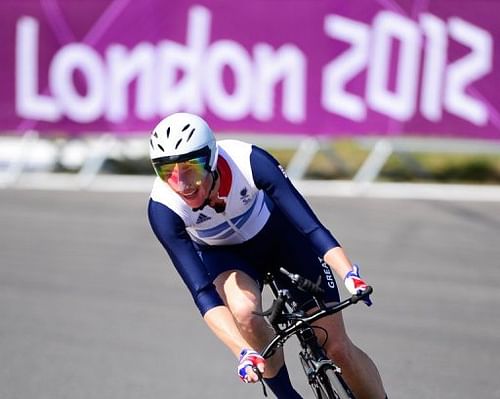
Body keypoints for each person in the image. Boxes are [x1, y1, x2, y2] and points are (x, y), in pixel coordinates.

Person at [147, 112, 387, 399]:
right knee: (245, 313)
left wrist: (349, 274)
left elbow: (311, 228)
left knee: (336, 347)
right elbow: (201, 292)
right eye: (167, 173)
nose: (183, 184)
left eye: (191, 170)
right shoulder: (163, 208)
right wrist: (243, 352)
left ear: (211, 159)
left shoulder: (248, 160)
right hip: (225, 256)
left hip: (280, 238)